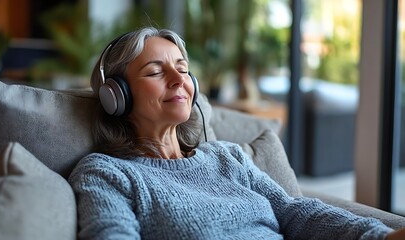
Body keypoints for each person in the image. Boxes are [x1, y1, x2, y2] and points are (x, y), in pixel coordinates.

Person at [68, 26, 405, 240]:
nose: (178, 80)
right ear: (117, 96)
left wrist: (380, 236)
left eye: (183, 69)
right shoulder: (106, 172)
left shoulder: (227, 156)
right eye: (156, 71)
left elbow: (293, 211)